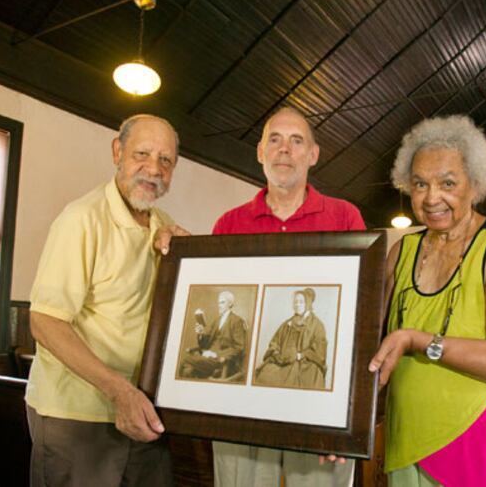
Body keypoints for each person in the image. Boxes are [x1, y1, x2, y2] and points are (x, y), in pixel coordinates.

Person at [156, 106, 365, 487]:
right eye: (275, 139)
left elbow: (355, 323)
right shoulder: (229, 223)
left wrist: (348, 417)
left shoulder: (345, 218)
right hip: (243, 408)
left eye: (296, 140)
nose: (284, 149)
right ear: (260, 152)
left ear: (313, 154)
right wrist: (186, 258)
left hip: (318, 412)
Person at [367, 115, 486, 486]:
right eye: (419, 184)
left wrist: (419, 341)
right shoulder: (402, 250)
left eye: (447, 183)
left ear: (474, 185)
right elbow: (364, 340)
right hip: (406, 440)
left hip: (482, 448)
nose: (432, 198)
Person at [25, 114, 190, 487]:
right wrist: (120, 392)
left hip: (142, 408)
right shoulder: (81, 218)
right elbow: (45, 322)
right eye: (142, 154)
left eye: (165, 160)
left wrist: (185, 256)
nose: (153, 169)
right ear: (117, 152)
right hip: (77, 416)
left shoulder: (161, 221)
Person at [255, 288, 328, 389]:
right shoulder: (287, 324)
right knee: (266, 373)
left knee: (311, 376)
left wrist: (300, 355)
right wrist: (276, 353)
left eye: (301, 302)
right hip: (283, 361)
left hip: (305, 363)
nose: (297, 305)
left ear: (307, 303)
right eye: (296, 302)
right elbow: (274, 342)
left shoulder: (317, 325)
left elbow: (319, 351)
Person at [179, 290, 248, 380]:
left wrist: (216, 355)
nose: (219, 305)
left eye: (222, 302)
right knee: (187, 371)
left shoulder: (237, 321)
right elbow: (205, 344)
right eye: (218, 302)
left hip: (220, 360)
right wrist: (200, 334)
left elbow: (238, 347)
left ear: (230, 304)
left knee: (185, 360)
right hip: (207, 357)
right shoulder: (217, 320)